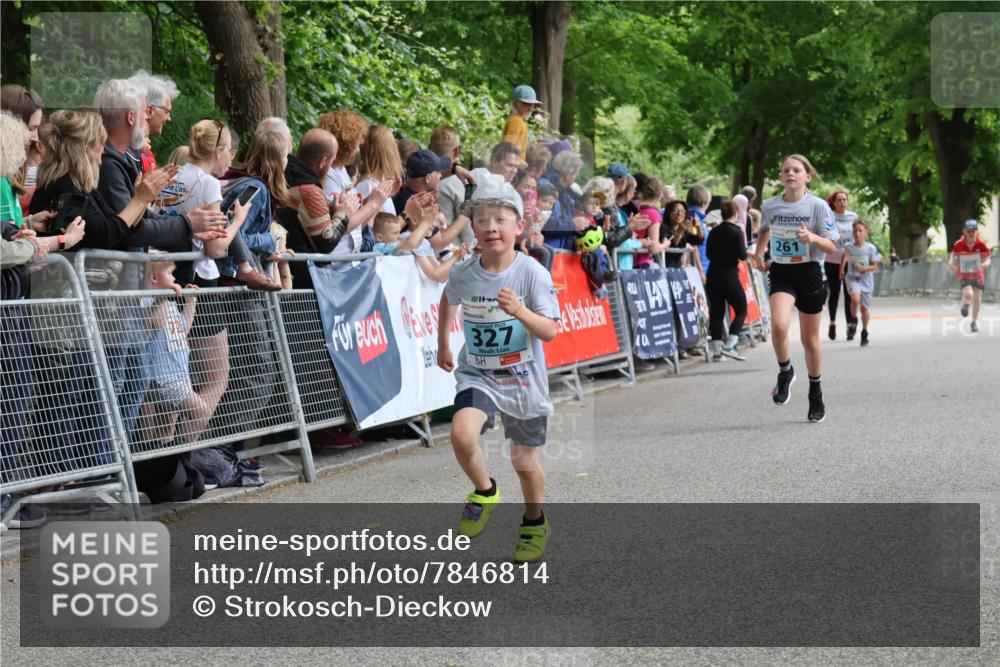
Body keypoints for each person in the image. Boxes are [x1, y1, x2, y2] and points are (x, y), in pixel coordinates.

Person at [437, 178, 559, 563]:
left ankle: (534, 522)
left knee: (524, 463)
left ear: (518, 227)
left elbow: (551, 331)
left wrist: (520, 311)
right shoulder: (465, 272)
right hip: (480, 374)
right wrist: (443, 341)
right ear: (473, 229)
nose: (492, 227)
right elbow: (447, 298)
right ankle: (485, 490)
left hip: (523, 382)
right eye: (483, 221)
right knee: (462, 434)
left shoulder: (531, 273)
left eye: (501, 220)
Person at [752, 154, 838, 423]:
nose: (791, 173)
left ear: (807, 176)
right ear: (780, 177)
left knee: (809, 340)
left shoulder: (818, 206)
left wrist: (811, 237)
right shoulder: (770, 205)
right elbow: (765, 230)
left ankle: (815, 392)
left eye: (797, 170)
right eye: (786, 170)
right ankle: (785, 370)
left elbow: (832, 246)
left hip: (810, 271)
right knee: (778, 325)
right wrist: (759, 254)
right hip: (782, 271)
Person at [137, 254, 210, 446]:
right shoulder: (148, 301)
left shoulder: (170, 303)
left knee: (166, 428)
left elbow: (183, 329)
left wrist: (191, 302)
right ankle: (184, 450)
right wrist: (161, 299)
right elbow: (156, 323)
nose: (175, 279)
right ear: (154, 278)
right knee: (200, 411)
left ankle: (167, 460)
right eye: (170, 274)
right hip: (164, 377)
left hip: (179, 373)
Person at [706, 199, 749, 361]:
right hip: (729, 274)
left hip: (713, 274)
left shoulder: (713, 231)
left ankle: (717, 351)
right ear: (736, 213)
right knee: (741, 308)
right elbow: (742, 255)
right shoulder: (737, 231)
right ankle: (731, 344)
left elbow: (709, 254)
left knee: (716, 311)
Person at [0, 84, 44, 209]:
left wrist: (29, 222)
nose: (36, 137)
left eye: (37, 128)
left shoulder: (15, 167)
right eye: (31, 129)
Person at [127, 70, 179, 173]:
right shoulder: (129, 148)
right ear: (149, 111)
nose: (169, 119)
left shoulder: (143, 148)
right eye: (167, 112)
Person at [824, 189, 859, 341]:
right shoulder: (829, 216)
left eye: (844, 199)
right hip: (832, 259)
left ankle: (849, 325)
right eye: (839, 200)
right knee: (834, 292)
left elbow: (859, 233)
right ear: (834, 202)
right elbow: (825, 234)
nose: (842, 202)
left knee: (848, 293)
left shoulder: (853, 217)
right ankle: (832, 323)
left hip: (849, 259)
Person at [840, 219, 880, 347]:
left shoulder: (870, 249)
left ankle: (864, 331)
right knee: (855, 299)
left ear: (865, 233)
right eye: (855, 230)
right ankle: (853, 320)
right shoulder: (849, 247)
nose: (857, 233)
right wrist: (841, 269)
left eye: (860, 231)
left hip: (866, 281)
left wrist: (863, 268)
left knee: (864, 308)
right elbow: (844, 256)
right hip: (852, 278)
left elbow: (875, 266)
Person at [949, 219, 992, 333]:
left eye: (973, 231)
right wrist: (951, 264)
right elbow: (953, 255)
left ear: (977, 232)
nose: (971, 233)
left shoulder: (981, 244)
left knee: (977, 296)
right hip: (964, 274)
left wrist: (985, 263)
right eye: (969, 231)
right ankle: (966, 304)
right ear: (964, 231)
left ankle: (974, 322)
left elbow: (988, 257)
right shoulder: (959, 244)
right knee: (969, 294)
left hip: (978, 273)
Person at [539, 150, 583, 250]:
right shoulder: (544, 186)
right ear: (568, 174)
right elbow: (542, 222)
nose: (576, 178)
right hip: (545, 253)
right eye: (576, 174)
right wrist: (571, 225)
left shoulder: (565, 193)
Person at [632, 173, 668, 269]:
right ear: (660, 194)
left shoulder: (633, 206)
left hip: (626, 260)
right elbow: (653, 247)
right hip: (640, 262)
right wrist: (665, 244)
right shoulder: (653, 214)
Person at [501, 85, 543, 161]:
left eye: (532, 104)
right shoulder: (516, 121)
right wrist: (519, 162)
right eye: (525, 103)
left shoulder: (519, 120)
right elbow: (507, 147)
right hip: (512, 165)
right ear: (515, 103)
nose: (530, 107)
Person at [660, 200, 703, 269]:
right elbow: (672, 246)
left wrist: (698, 227)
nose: (679, 213)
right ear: (668, 213)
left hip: (677, 268)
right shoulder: (662, 227)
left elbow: (699, 240)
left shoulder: (684, 231)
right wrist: (681, 229)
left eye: (682, 211)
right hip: (664, 267)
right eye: (675, 210)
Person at [686, 185, 711, 275]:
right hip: (699, 269)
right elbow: (694, 245)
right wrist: (700, 271)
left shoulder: (693, 216)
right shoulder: (692, 217)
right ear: (704, 203)